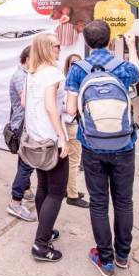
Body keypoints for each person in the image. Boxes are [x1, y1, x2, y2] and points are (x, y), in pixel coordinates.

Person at [65, 21, 139, 276]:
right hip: (124, 144)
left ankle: (105, 260)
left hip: (92, 145)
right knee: (124, 201)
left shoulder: (78, 70)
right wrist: (131, 45)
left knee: (99, 202)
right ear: (110, 41)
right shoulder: (124, 68)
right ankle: (122, 255)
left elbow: (70, 110)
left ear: (86, 43)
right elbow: (138, 79)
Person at [23, 33, 70, 262]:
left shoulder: (32, 73)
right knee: (56, 192)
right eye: (56, 45)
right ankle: (41, 244)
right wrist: (63, 137)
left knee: (43, 186)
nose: (59, 49)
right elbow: (52, 107)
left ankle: (46, 229)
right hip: (51, 139)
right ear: (46, 48)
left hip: (36, 138)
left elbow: (26, 103)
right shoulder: (52, 72)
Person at [7, 46, 37, 222]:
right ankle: (15, 202)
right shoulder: (20, 76)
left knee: (24, 161)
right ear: (27, 59)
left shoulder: (28, 75)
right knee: (27, 163)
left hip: (26, 125)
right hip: (23, 126)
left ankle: (25, 191)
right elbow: (26, 102)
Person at [62, 54, 89, 208]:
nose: (77, 66)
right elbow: (66, 108)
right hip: (71, 125)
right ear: (68, 65)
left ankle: (69, 190)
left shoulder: (77, 81)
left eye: (80, 63)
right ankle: (72, 194)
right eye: (73, 63)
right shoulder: (67, 83)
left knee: (71, 161)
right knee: (74, 162)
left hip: (72, 125)